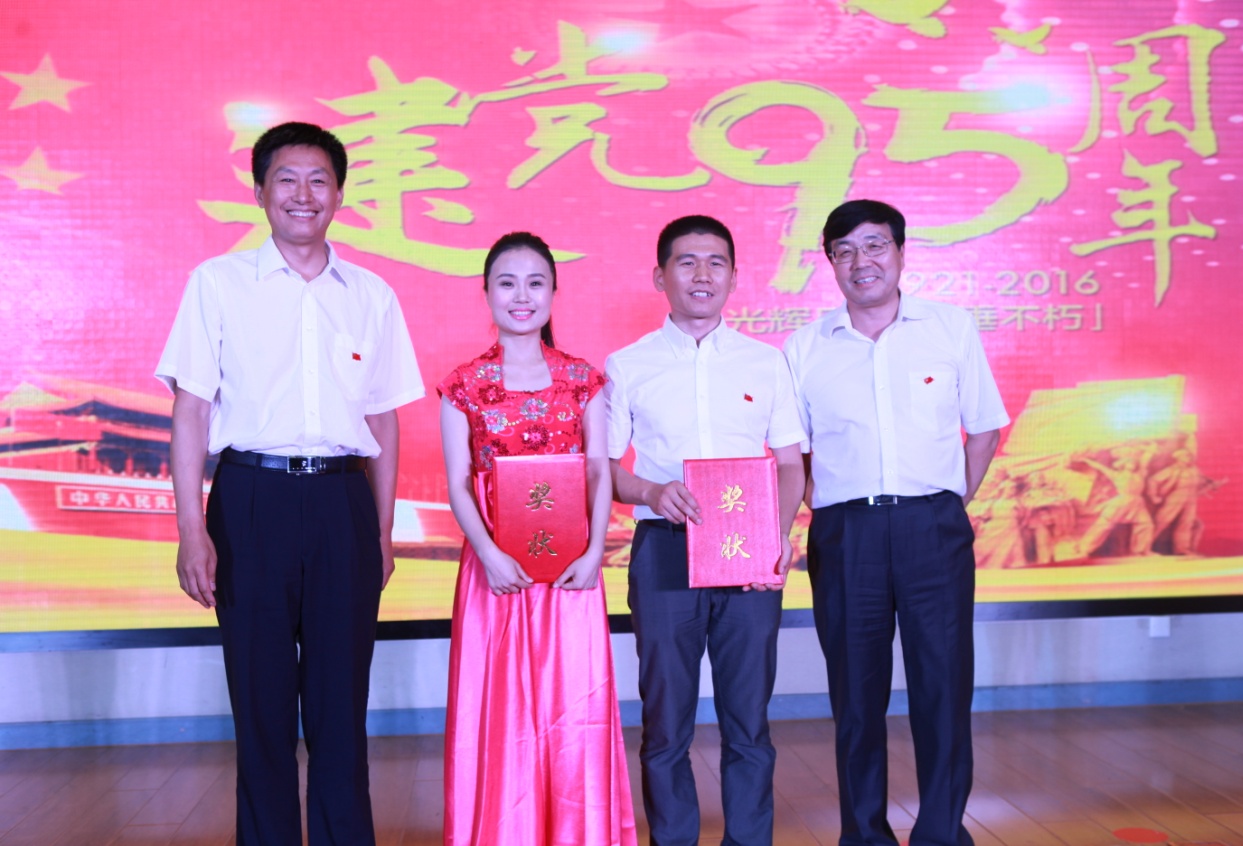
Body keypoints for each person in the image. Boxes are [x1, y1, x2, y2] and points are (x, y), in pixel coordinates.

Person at [156, 122, 425, 846]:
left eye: (318, 181)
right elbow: (191, 411)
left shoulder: (371, 294)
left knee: (341, 705)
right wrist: (191, 531)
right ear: (259, 192)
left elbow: (384, 419)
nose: (303, 194)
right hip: (251, 500)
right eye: (286, 179)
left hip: (343, 502)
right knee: (260, 704)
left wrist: (380, 532)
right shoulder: (217, 283)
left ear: (339, 194)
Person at [783, 199, 1009, 846]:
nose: (862, 261)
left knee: (943, 687)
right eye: (844, 250)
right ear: (830, 262)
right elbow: (793, 450)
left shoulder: (949, 328)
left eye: (875, 245)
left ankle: (941, 832)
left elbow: (984, 429)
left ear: (901, 253)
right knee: (855, 698)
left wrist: (946, 501)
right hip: (844, 534)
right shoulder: (805, 347)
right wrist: (826, 503)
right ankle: (864, 835)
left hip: (932, 528)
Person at [606, 215, 807, 846]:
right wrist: (650, 491)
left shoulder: (765, 363)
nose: (702, 274)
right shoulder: (627, 364)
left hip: (749, 555)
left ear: (734, 277)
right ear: (659, 276)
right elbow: (604, 469)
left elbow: (790, 464)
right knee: (666, 722)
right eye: (687, 261)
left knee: (748, 720)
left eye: (716, 262)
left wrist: (775, 537)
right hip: (664, 553)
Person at [438, 232, 637, 846]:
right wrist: (490, 555)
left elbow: (598, 470)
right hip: (494, 574)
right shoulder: (463, 385)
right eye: (507, 282)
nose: (521, 296)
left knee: (574, 709)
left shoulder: (583, 380)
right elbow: (458, 483)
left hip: (572, 570)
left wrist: (594, 551)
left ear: (553, 292)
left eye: (535, 282)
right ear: (486, 292)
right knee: (499, 713)